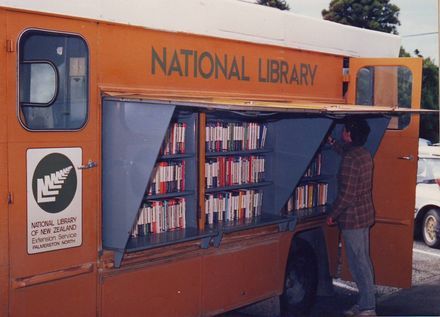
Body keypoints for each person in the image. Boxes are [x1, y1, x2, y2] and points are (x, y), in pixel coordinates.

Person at [327, 117, 377, 317]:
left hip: (352, 219)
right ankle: (365, 302)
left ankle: (368, 307)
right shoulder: (362, 154)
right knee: (362, 260)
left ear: (349, 134)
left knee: (359, 263)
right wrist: (332, 143)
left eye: (344, 130)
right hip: (364, 215)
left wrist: (332, 214)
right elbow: (345, 151)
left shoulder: (350, 159)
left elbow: (346, 194)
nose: (342, 132)